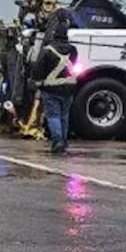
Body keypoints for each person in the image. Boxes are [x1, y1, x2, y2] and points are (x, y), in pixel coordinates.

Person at [31, 16, 79, 153]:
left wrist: (36, 82)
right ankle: (63, 142)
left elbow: (38, 69)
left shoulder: (47, 50)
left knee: (53, 116)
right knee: (64, 116)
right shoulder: (73, 50)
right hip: (69, 88)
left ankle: (57, 141)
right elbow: (74, 66)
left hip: (51, 89)